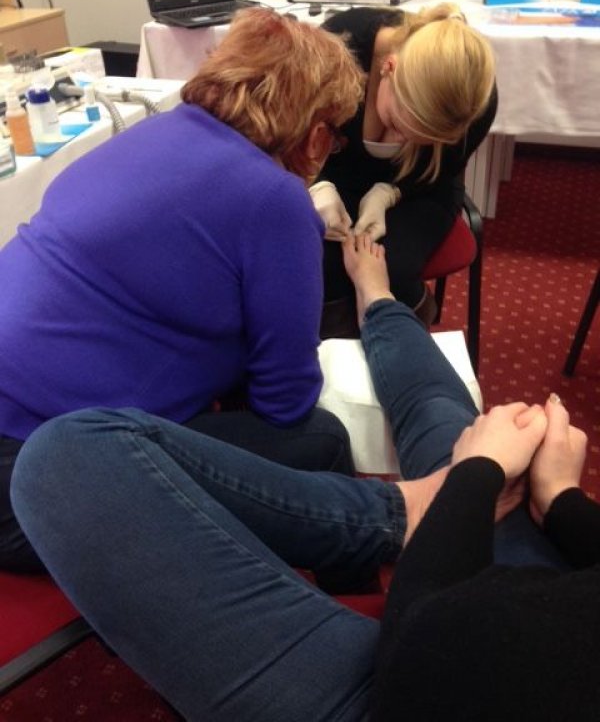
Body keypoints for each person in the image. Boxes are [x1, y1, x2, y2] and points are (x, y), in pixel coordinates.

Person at [12, 234, 597, 722]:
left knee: (66, 457)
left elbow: (428, 634)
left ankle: (402, 509)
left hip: (416, 678)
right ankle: (380, 301)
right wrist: (564, 500)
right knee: (448, 420)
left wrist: (473, 479)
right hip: (533, 614)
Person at [0, 8, 366, 573]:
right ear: (317, 131)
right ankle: (354, 605)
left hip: (25, 425)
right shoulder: (274, 200)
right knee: (323, 440)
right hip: (35, 477)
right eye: (335, 135)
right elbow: (285, 400)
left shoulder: (152, 130)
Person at [311, 4, 498, 335]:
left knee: (390, 268)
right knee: (318, 265)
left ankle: (401, 329)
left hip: (421, 187)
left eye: (425, 140)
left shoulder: (475, 103)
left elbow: (444, 171)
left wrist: (391, 192)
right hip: (333, 179)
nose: (401, 141)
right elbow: (289, 130)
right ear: (389, 67)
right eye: (397, 124)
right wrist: (316, 183)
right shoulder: (336, 46)